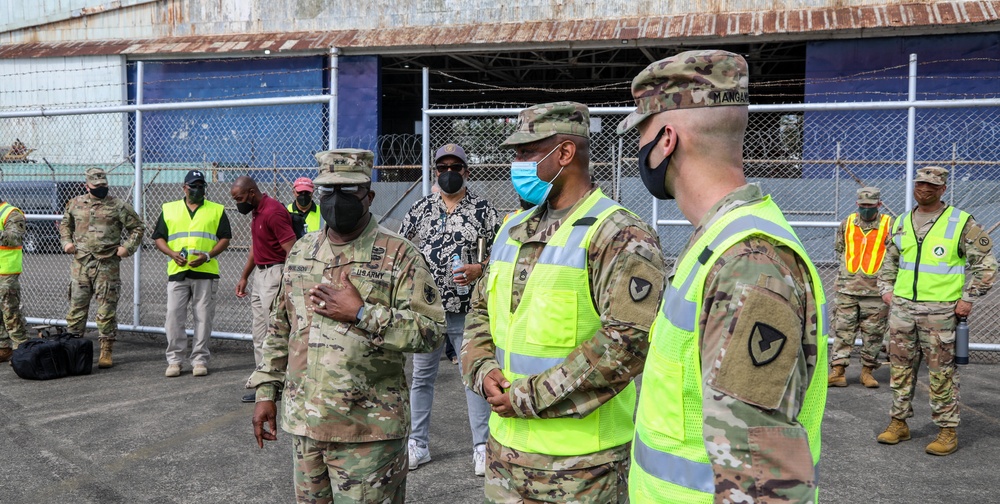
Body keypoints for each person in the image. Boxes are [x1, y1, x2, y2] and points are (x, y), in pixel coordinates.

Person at [619, 50, 828, 502]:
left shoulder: (747, 263)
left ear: (667, 140)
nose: (638, 148)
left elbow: (761, 482)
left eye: (641, 133)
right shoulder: (719, 241)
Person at [462, 102, 666, 503]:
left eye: (526, 153)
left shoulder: (620, 235)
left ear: (565, 154)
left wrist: (525, 396)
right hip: (505, 459)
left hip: (582, 468)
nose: (516, 163)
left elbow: (626, 345)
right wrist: (482, 370)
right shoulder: (512, 229)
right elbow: (480, 312)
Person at [248, 148, 445, 503]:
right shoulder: (303, 251)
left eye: (348, 191)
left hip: (369, 434)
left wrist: (361, 313)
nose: (336, 201)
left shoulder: (399, 254)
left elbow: (430, 332)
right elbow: (280, 328)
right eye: (328, 191)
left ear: (368, 197)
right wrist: (266, 392)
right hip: (307, 428)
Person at [876, 166, 997, 456]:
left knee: (941, 373)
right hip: (902, 309)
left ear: (943, 189)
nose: (925, 188)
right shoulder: (902, 221)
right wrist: (885, 289)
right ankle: (898, 423)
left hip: (941, 313)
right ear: (914, 186)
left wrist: (968, 298)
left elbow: (987, 267)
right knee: (900, 369)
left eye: (932, 185)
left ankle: (947, 430)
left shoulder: (961, 222)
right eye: (920, 183)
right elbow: (890, 259)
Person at [400, 143, 501, 476]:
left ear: (466, 172)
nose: (448, 173)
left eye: (455, 167)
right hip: (427, 309)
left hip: (466, 309)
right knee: (421, 377)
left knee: (473, 377)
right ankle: (419, 444)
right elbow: (399, 247)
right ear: (436, 172)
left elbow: (501, 255)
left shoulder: (483, 210)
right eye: (442, 168)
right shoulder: (421, 208)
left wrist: (479, 269)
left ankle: (481, 447)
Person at [60, 167, 145, 368]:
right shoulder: (75, 204)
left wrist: (127, 248)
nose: (101, 189)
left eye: (104, 186)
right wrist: (66, 242)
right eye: (96, 186)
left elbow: (138, 227)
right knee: (76, 309)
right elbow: (65, 225)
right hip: (81, 264)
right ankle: (73, 348)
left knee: (106, 310)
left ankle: (106, 350)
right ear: (87, 186)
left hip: (107, 265)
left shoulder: (118, 206)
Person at [152, 170, 232, 377]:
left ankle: (199, 360)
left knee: (203, 318)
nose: (197, 190)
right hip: (178, 271)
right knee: (173, 316)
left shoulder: (216, 210)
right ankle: (175, 361)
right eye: (193, 186)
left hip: (205, 271)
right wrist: (172, 253)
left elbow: (225, 238)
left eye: (201, 186)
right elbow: (159, 237)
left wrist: (207, 255)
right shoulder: (169, 209)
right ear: (184, 187)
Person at [230, 175, 297, 402]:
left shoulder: (273, 212)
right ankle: (264, 383)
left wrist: (287, 282)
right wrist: (244, 276)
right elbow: (255, 247)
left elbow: (291, 249)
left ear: (251, 192)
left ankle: (282, 383)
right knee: (259, 334)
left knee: (275, 331)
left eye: (239, 198)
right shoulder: (258, 211)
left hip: (275, 274)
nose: (237, 203)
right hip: (261, 273)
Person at [829, 187, 893, 388]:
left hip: (876, 292)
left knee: (873, 334)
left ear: (879, 205)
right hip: (847, 289)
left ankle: (867, 372)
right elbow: (840, 248)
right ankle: (838, 372)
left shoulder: (889, 225)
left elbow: (895, 255)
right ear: (857, 204)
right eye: (863, 206)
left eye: (870, 206)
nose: (866, 209)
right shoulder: (846, 223)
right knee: (842, 331)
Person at [0, 197, 27, 363]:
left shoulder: (12, 213)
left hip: (7, 271)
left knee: (10, 311)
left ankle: (21, 348)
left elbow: (14, 238)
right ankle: (3, 346)